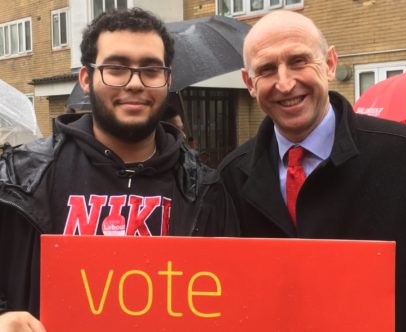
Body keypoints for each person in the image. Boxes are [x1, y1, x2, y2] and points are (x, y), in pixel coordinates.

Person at [0, 8, 238, 331]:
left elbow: (229, 301)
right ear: (86, 79)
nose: (135, 83)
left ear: (167, 81)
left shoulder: (206, 190)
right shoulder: (18, 178)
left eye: (151, 70)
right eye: (116, 68)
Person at [219, 10, 406, 332]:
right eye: (267, 69)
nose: (285, 82)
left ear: (330, 64)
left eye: (298, 61)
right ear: (249, 83)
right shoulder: (231, 177)